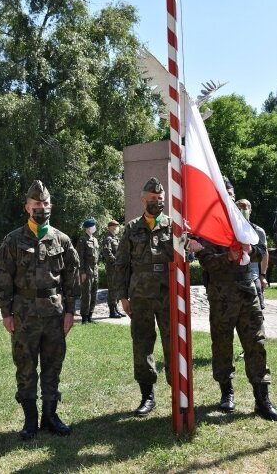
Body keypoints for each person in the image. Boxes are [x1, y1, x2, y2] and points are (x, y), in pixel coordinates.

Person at [0, 180, 80, 439]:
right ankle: (30, 421)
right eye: (36, 204)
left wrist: (70, 312)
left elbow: (72, 278)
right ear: (27, 207)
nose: (41, 208)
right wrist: (6, 313)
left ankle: (51, 417)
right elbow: (3, 278)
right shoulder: (12, 240)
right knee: (26, 366)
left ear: (50, 206)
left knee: (53, 366)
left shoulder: (62, 240)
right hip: (23, 315)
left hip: (54, 315)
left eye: (45, 204)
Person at [197, 226, 277, 421]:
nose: (229, 198)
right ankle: (227, 393)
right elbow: (206, 261)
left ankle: (262, 400)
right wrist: (228, 256)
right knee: (222, 346)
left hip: (247, 294)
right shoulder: (210, 229)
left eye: (231, 194)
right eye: (226, 194)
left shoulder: (245, 228)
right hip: (221, 299)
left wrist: (250, 250)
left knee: (256, 345)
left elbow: (261, 252)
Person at [115, 177, 173, 417]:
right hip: (140, 297)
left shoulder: (174, 225)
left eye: (160, 199)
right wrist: (123, 296)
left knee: (174, 344)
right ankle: (147, 395)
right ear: (143, 200)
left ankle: (178, 389)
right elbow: (121, 264)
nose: (157, 203)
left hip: (168, 295)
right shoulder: (132, 228)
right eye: (152, 199)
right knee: (142, 345)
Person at [236, 199, 268, 310]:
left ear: (250, 211)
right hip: (232, 277)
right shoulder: (229, 229)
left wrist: (263, 275)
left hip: (252, 275)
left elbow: (264, 254)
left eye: (245, 208)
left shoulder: (258, 231)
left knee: (257, 294)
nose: (242, 211)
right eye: (239, 208)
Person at [76, 218, 99, 324]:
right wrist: (82, 272)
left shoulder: (95, 240)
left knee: (94, 293)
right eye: (93, 226)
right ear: (88, 228)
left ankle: (90, 315)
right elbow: (79, 258)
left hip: (95, 270)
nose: (94, 228)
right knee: (86, 294)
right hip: (86, 270)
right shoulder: (82, 240)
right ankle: (84, 317)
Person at [102, 220, 126, 319]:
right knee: (112, 289)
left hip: (117, 267)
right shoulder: (108, 239)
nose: (117, 228)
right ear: (110, 227)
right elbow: (107, 253)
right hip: (112, 267)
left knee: (116, 289)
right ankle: (112, 311)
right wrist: (116, 262)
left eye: (117, 226)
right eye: (115, 226)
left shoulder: (115, 238)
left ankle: (116, 309)